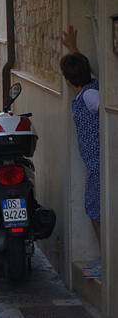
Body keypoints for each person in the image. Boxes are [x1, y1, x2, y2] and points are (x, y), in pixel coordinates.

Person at [61, 24, 100, 278]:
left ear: (67, 80)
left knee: (95, 211)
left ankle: (107, 260)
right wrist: (73, 49)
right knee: (95, 210)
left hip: (99, 165)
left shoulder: (89, 96)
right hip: (96, 164)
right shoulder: (90, 87)